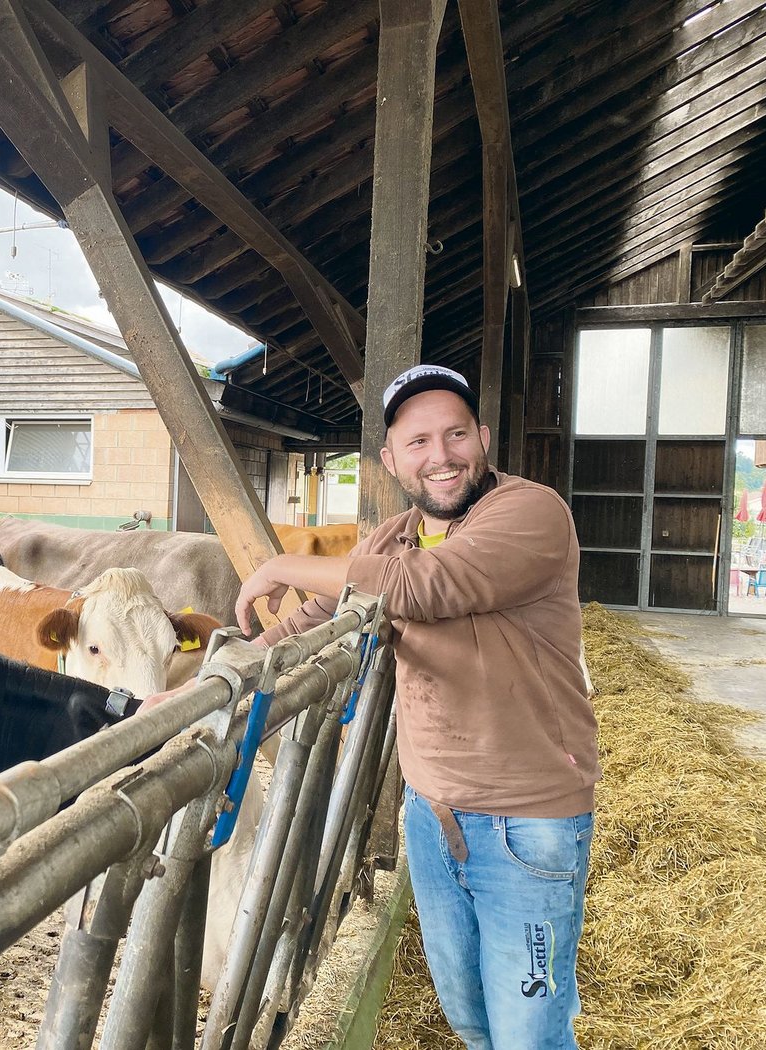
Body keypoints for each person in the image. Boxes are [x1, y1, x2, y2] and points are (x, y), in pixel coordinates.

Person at [235, 364, 600, 1050]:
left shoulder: (530, 511)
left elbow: (430, 587)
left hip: (527, 822)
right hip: (431, 817)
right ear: (391, 461)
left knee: (531, 1036)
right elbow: (314, 622)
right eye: (419, 441)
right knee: (472, 1020)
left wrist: (282, 563)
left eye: (456, 434)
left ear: (482, 438)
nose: (441, 456)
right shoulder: (392, 536)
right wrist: (211, 680)